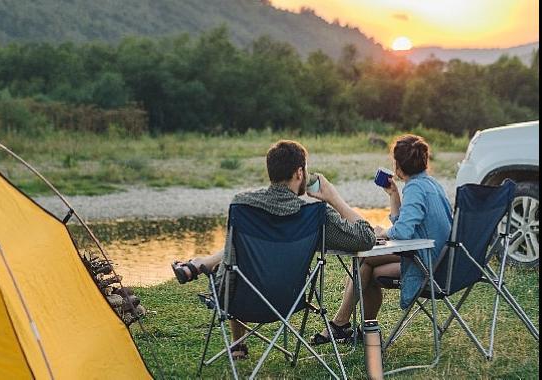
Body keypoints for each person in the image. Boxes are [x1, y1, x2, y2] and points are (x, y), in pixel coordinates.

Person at [171, 139, 376, 359]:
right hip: (289, 300)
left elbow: (231, 262)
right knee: (235, 258)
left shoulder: (243, 205)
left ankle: (237, 342)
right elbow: (366, 237)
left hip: (238, 300)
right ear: (299, 173)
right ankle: (202, 264)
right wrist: (334, 198)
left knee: (233, 262)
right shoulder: (314, 214)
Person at [312, 134, 453, 345]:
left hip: (425, 263)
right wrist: (394, 196)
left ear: (397, 166)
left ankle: (341, 325)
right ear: (425, 161)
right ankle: (361, 329)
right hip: (437, 258)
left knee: (366, 262)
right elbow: (405, 223)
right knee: (368, 269)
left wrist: (382, 233)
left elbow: (403, 232)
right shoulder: (430, 184)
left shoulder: (415, 188)